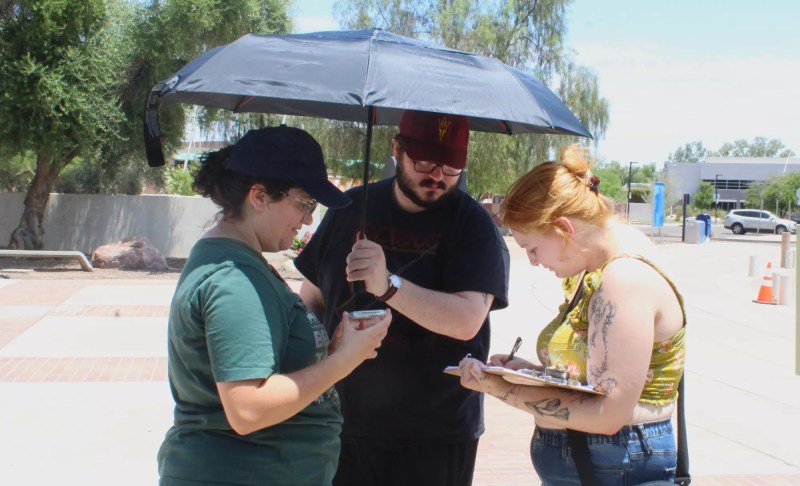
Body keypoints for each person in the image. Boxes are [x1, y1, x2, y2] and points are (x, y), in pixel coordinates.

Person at [157, 125, 391, 486]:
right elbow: (248, 407)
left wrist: (333, 349)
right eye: (304, 203)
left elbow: (272, 365)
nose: (309, 219)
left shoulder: (242, 262)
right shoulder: (234, 280)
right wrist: (344, 360)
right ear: (259, 197)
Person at [294, 110, 510, 486]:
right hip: (341, 421)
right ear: (397, 149)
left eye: (451, 166)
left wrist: (388, 285)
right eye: (424, 161)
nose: (437, 176)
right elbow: (311, 301)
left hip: (434, 432)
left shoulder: (473, 225)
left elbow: (467, 320)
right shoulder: (349, 209)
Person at [458, 145, 686, 486]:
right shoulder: (600, 267)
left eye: (532, 248)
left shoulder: (624, 279)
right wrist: (534, 374)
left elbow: (609, 413)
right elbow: (597, 378)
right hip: (601, 462)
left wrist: (500, 388)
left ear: (564, 228)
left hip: (614, 465)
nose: (534, 261)